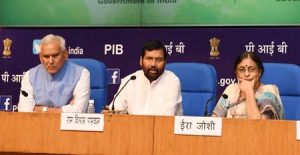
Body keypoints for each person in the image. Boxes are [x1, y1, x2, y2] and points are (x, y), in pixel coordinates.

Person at [18, 34, 90, 113]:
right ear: (40, 58)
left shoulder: (82, 74)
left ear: (65, 54)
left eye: (55, 55)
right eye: (46, 56)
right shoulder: (29, 76)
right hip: (37, 124)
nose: (51, 61)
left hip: (67, 125)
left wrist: (41, 109)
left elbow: (78, 110)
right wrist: (64, 109)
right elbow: (24, 110)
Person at [108, 40, 183, 115]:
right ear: (141, 61)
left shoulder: (172, 81)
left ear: (165, 62)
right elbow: (115, 109)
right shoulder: (130, 80)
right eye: (149, 59)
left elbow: (166, 117)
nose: (153, 64)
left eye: (159, 60)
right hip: (133, 126)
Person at [212, 52, 284, 119]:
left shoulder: (268, 91)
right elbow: (215, 120)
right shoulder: (232, 89)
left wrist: (249, 91)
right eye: (242, 70)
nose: (246, 74)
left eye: (251, 69)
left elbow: (260, 127)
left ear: (259, 72)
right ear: (237, 74)